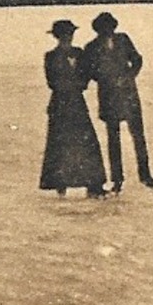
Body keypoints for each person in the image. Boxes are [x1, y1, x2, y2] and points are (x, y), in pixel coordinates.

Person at [80, 11, 153, 192]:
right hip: (108, 96)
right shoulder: (91, 47)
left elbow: (136, 59)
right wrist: (104, 79)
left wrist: (129, 76)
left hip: (128, 94)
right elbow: (89, 72)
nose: (107, 32)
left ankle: (145, 175)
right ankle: (117, 178)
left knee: (138, 136)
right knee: (113, 138)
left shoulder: (123, 40)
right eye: (104, 29)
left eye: (109, 28)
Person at [39, 19, 109, 199]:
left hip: (77, 103)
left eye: (69, 35)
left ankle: (93, 184)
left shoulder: (79, 53)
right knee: (60, 144)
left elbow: (87, 74)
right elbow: (52, 81)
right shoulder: (51, 56)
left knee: (86, 143)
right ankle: (60, 184)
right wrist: (73, 85)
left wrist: (78, 84)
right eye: (64, 35)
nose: (67, 38)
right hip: (61, 104)